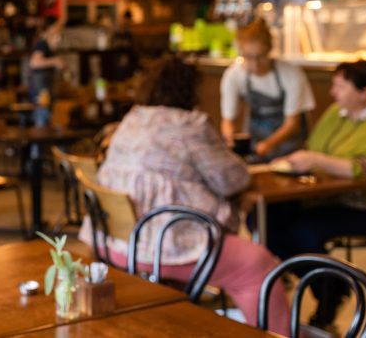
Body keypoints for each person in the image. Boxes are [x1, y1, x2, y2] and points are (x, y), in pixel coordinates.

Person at [80, 56, 290, 334]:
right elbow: (231, 180)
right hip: (164, 247)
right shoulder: (190, 125)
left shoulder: (132, 119)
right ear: (190, 90)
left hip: (116, 244)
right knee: (257, 265)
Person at [267, 59, 366, 331]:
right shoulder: (336, 113)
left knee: (303, 231)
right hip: (320, 197)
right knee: (264, 219)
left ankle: (327, 293)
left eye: (340, 86)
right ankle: (329, 285)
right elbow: (313, 148)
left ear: (364, 92)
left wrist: (315, 160)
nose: (333, 92)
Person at [220, 18, 315, 161]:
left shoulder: (291, 74)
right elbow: (228, 120)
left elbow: (292, 124)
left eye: (260, 56)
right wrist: (229, 138)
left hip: (291, 147)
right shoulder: (234, 75)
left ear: (270, 50)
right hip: (256, 144)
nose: (255, 64)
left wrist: (269, 144)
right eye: (248, 57)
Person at [28, 16, 65, 126]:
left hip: (45, 89)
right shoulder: (42, 44)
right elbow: (34, 63)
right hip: (41, 91)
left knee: (46, 121)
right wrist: (55, 61)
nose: (59, 29)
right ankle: (37, 144)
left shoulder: (48, 44)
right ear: (50, 28)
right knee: (41, 122)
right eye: (57, 26)